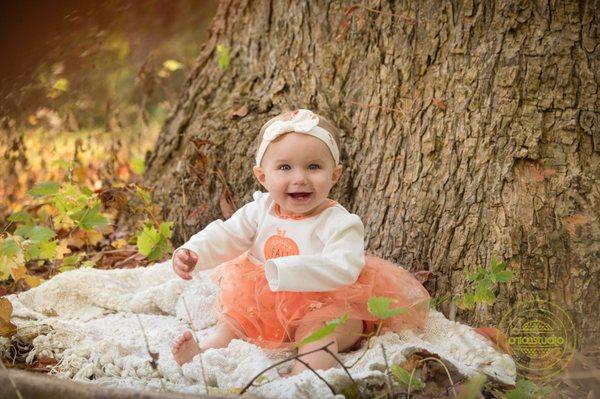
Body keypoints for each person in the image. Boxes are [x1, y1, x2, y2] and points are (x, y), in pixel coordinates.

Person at [170, 109, 429, 375]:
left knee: (320, 331)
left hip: (327, 301)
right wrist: (194, 251)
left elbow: (343, 268)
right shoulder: (260, 210)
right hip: (263, 301)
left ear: (335, 175)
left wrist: (286, 270)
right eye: (284, 167)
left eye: (314, 167)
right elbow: (226, 235)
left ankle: (302, 376)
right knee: (234, 324)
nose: (299, 178)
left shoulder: (340, 222)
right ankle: (204, 352)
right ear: (262, 176)